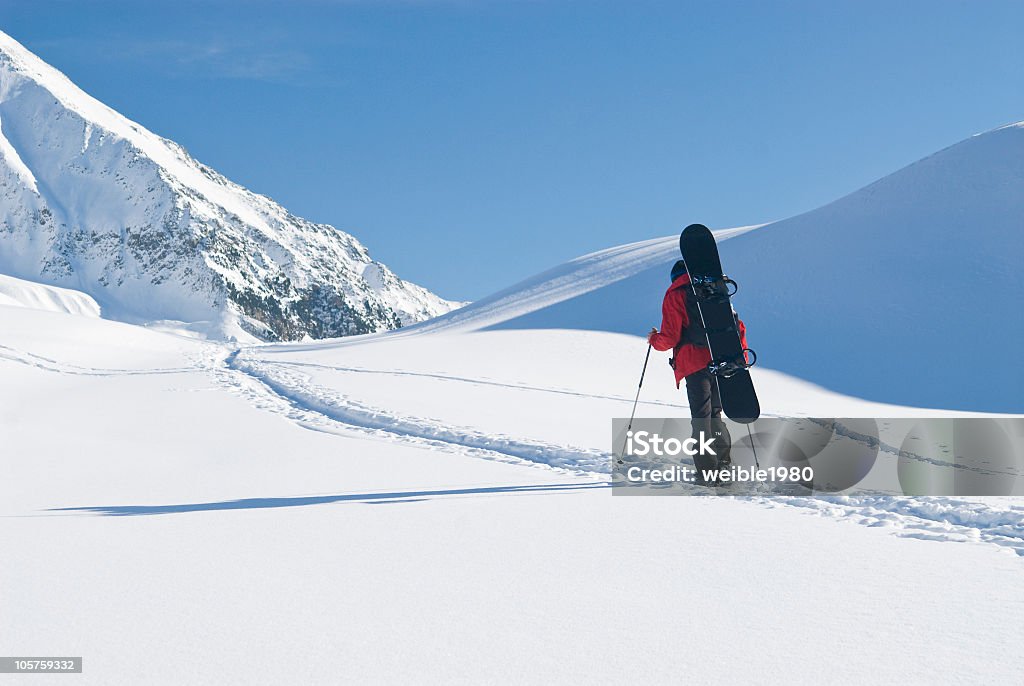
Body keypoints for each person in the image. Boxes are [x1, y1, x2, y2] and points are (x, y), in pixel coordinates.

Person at [647, 259, 749, 482]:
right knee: (715, 415)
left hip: (694, 364)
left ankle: (706, 473)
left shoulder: (676, 293)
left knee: (701, 418)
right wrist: (740, 358)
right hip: (722, 361)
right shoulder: (716, 288)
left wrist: (654, 340)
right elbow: (736, 325)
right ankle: (724, 465)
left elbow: (671, 337)